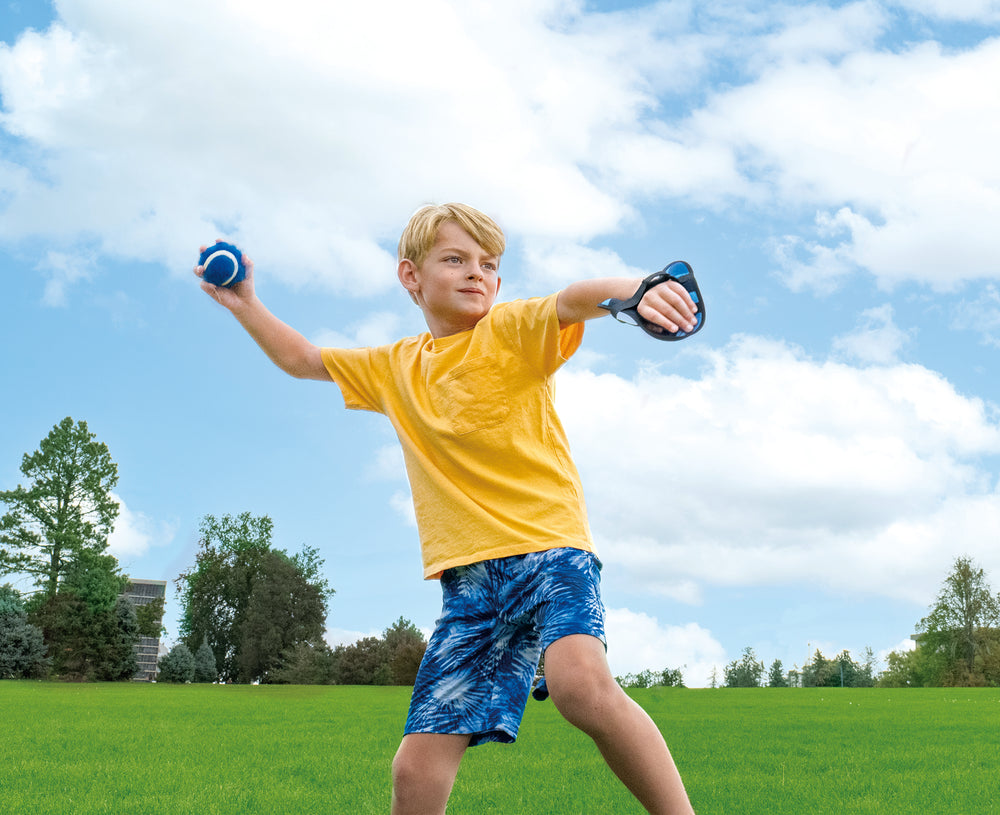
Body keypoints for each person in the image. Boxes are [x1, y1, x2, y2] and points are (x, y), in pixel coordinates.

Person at [196, 203, 698, 815]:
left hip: (550, 552)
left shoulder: (510, 331)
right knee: (416, 763)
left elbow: (573, 299)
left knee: (580, 689)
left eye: (487, 265)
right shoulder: (393, 368)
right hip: (468, 587)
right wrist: (246, 304)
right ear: (411, 276)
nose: (475, 274)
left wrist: (638, 290)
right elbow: (304, 360)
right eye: (455, 260)